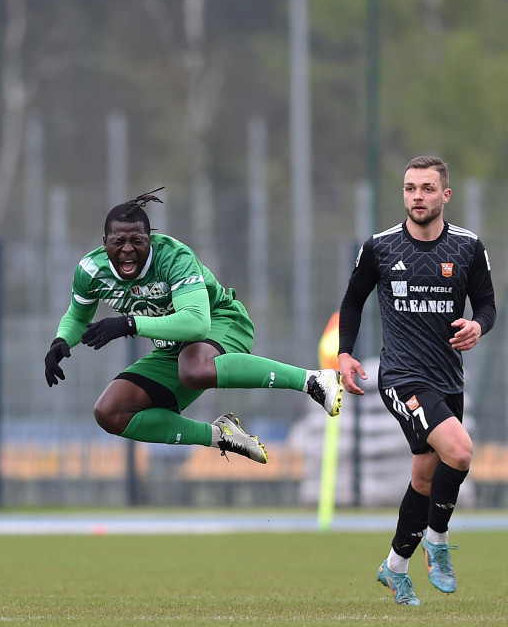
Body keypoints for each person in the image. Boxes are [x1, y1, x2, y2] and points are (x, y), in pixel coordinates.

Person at [44, 188, 343, 465]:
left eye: (137, 241)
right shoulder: (90, 270)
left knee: (194, 368)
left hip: (221, 322)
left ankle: (313, 380)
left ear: (151, 239)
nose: (127, 250)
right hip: (173, 347)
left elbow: (196, 324)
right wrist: (61, 341)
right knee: (109, 412)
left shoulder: (174, 257)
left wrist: (129, 323)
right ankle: (219, 435)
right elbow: (78, 315)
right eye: (118, 241)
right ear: (104, 242)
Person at [337, 156, 497, 606]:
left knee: (425, 479)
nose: (417, 197)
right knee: (461, 451)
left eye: (427, 188)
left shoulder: (467, 246)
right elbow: (353, 303)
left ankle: (393, 569)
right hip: (402, 376)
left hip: (447, 379)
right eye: (410, 188)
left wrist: (478, 326)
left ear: (445, 195)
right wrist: (345, 353)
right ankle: (438, 541)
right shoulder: (381, 246)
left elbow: (486, 305)